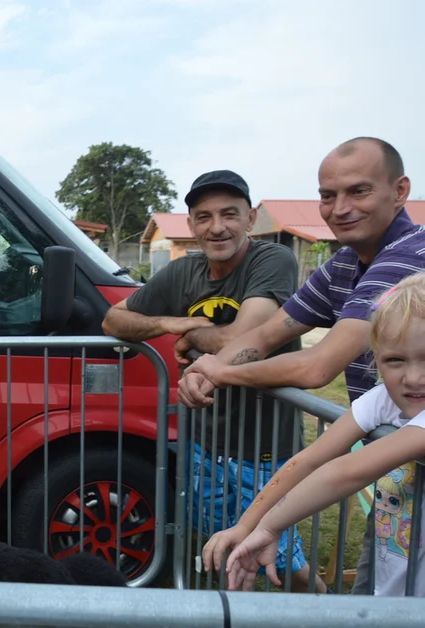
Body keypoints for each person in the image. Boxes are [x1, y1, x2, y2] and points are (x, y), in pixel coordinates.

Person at [186, 137, 425, 594]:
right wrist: (210, 363)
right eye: (327, 195)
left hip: (399, 454)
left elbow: (319, 366)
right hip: (398, 477)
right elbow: (269, 332)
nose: (340, 208)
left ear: (400, 191)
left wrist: (220, 372)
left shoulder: (410, 264)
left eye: (358, 191)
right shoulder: (344, 263)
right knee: (383, 602)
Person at [102, 169, 323, 591]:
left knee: (280, 558)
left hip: (264, 448)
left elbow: (245, 334)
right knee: (223, 545)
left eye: (229, 214)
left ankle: (339, 626)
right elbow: (113, 319)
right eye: (204, 217)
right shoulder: (184, 271)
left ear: (251, 217)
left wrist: (193, 336)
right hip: (203, 441)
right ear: (190, 225)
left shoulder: (273, 260)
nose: (217, 227)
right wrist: (172, 322)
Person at [218, 272, 425, 597]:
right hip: (395, 593)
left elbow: (346, 471)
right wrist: (247, 525)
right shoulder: (384, 397)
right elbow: (309, 461)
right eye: (395, 360)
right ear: (376, 358)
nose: (413, 377)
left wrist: (271, 525)